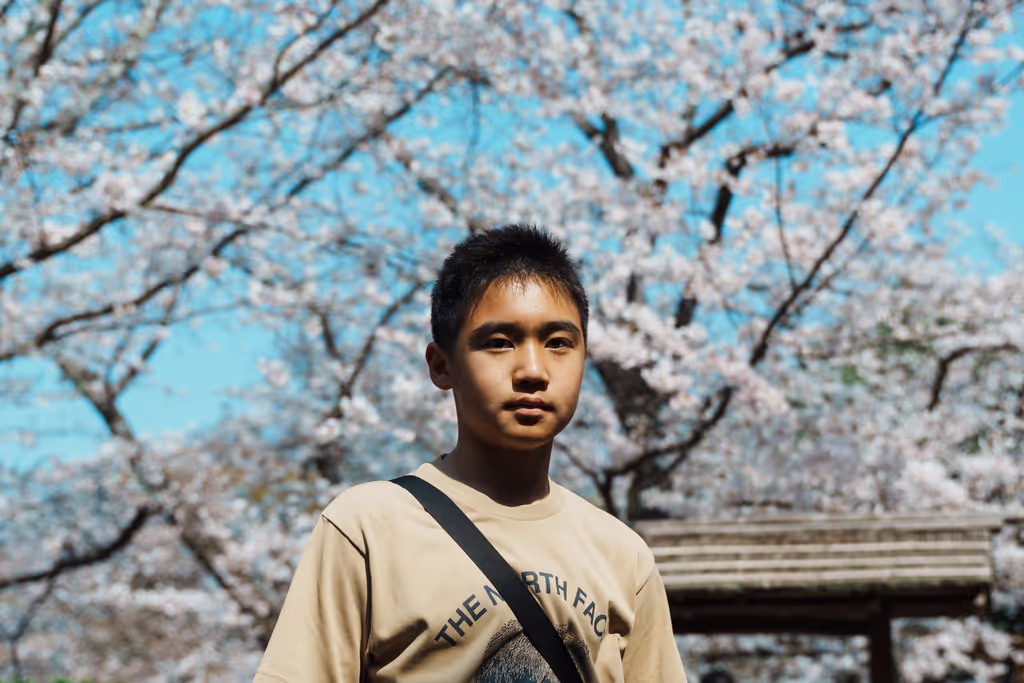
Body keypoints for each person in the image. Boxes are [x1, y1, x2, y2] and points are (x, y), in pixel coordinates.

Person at [254, 225, 688, 682]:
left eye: (559, 343)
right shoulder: (368, 527)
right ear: (441, 365)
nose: (534, 371)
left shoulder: (623, 556)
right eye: (499, 343)